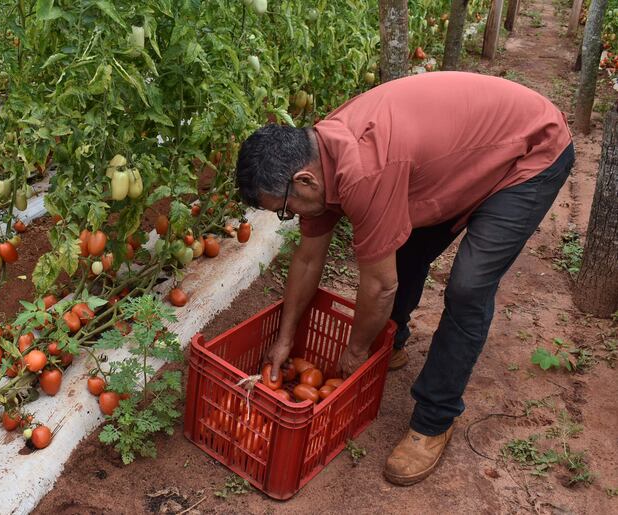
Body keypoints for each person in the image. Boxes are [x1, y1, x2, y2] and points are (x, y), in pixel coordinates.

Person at [234, 71, 574, 486]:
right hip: (459, 157)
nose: (292, 218)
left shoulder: (362, 171)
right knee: (403, 248)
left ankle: (434, 419)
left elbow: (380, 287)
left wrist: (356, 352)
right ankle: (391, 343)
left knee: (468, 287)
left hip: (530, 151)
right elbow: (307, 260)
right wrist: (285, 337)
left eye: (286, 210)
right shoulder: (317, 156)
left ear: (304, 179)